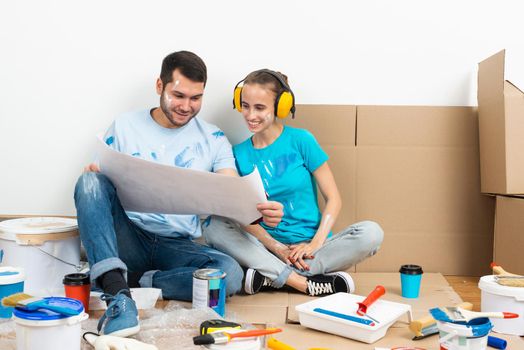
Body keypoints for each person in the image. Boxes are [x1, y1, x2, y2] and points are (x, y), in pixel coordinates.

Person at [74, 52, 283, 337]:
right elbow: (99, 181)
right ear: (159, 86)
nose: (186, 106)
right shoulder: (125, 125)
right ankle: (119, 297)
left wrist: (261, 212)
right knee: (88, 182)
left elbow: (233, 194)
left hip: (177, 246)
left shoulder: (213, 138)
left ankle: (130, 279)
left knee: (229, 275)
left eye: (195, 98)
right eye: (178, 95)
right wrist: (96, 176)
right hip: (130, 236)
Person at [203, 69, 384, 297]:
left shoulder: (302, 140)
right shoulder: (237, 154)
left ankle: (270, 277)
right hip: (265, 248)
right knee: (213, 226)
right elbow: (241, 214)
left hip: (312, 250)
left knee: (371, 233)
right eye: (245, 106)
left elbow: (334, 198)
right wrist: (276, 248)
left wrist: (315, 244)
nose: (250, 115)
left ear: (280, 107)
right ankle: (303, 282)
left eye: (260, 108)